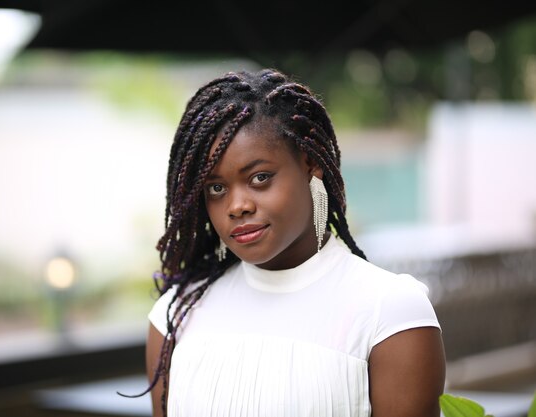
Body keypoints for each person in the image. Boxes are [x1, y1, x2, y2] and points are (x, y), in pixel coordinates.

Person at [139, 68, 445, 416]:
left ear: (310, 164)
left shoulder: (389, 313)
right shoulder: (175, 315)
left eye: (260, 178)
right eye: (216, 188)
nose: (237, 206)